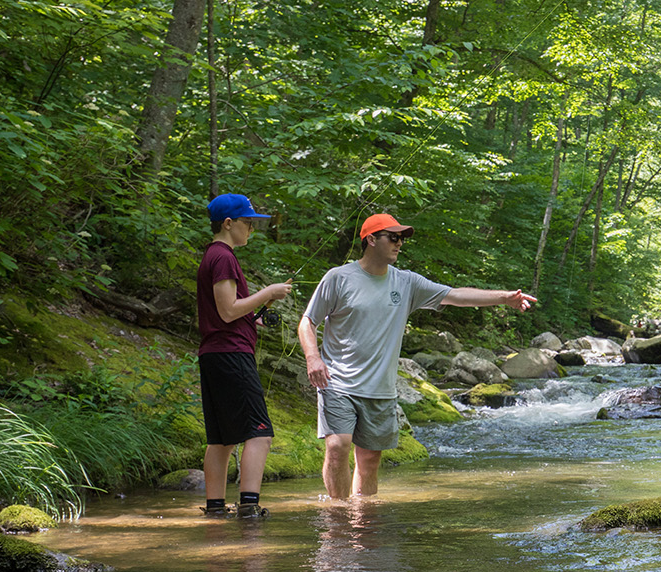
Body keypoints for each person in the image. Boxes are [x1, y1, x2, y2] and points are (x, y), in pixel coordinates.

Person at [297, 213, 537, 500]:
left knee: (370, 459)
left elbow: (455, 295)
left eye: (403, 239)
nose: (400, 244)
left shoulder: (407, 283)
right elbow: (307, 322)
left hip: (380, 388)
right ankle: (337, 518)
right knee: (337, 447)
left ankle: (362, 525)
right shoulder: (339, 278)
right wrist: (313, 358)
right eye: (394, 237)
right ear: (371, 239)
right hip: (337, 382)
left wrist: (503, 297)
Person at [196, 193, 292, 518]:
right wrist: (269, 292)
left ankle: (215, 510)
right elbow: (226, 311)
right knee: (260, 433)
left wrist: (258, 315)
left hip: (215, 354)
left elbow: (228, 312)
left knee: (222, 439)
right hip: (231, 355)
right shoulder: (223, 257)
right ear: (228, 223)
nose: (251, 229)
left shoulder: (214, 256)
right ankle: (249, 509)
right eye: (248, 223)